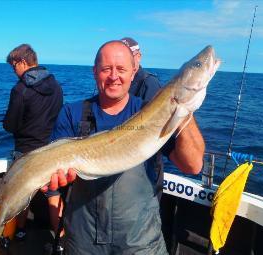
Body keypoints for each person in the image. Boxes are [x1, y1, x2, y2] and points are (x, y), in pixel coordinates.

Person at [45, 40, 205, 254]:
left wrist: (183, 107)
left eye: (121, 69)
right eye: (106, 69)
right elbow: (52, 180)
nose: (113, 76)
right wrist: (59, 226)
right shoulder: (71, 113)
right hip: (83, 242)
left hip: (140, 242)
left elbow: (193, 165)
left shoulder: (152, 112)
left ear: (134, 72)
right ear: (95, 72)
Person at [3, 44, 63, 242]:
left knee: (21, 195)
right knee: (54, 195)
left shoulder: (20, 89)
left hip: (26, 152)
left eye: (14, 66)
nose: (14, 71)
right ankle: (60, 238)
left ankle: (19, 230)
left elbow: (11, 124)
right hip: (51, 149)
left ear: (22, 62)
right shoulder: (56, 85)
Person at [121, 36, 166, 201]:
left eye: (130, 55)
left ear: (138, 56)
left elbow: (151, 126)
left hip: (144, 166)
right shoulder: (118, 80)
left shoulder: (149, 83)